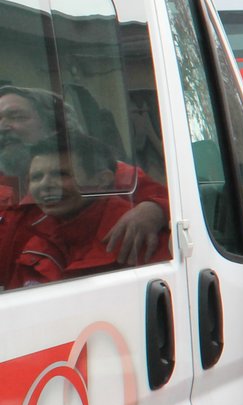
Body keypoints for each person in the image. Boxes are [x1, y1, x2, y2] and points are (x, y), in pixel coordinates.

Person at [0, 85, 167, 284]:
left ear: (55, 126)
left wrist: (155, 209)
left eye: (17, 117)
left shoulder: (109, 173)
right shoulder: (4, 184)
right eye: (0, 119)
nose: (3, 127)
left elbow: (181, 207)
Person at [10, 135, 134, 286]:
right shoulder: (35, 246)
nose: (45, 184)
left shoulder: (137, 233)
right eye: (36, 177)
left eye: (61, 174)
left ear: (102, 180)